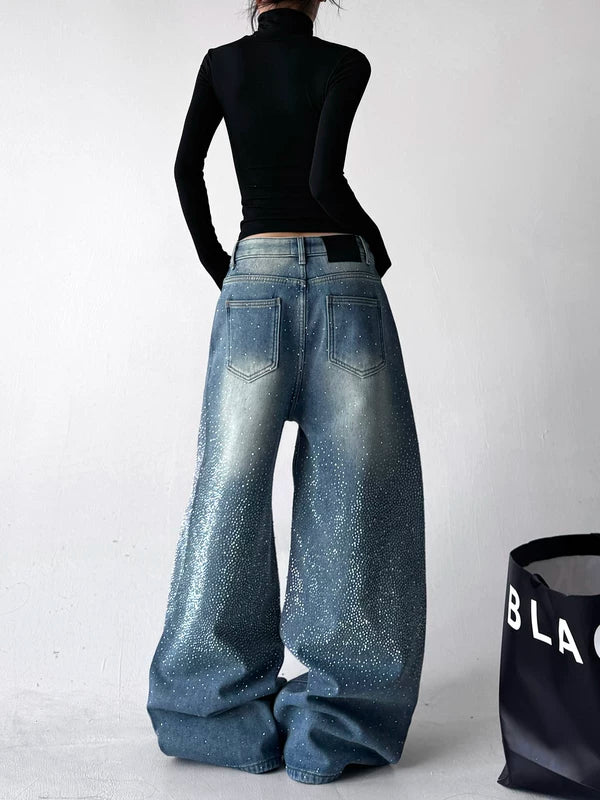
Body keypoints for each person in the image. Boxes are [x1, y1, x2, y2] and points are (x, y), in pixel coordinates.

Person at [146, 0, 426, 786]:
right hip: (344, 282)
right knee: (359, 498)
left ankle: (213, 719)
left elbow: (186, 169)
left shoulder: (222, 64)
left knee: (227, 492)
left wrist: (225, 266)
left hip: (254, 279)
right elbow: (323, 180)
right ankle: (336, 729)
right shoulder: (344, 63)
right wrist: (378, 247)